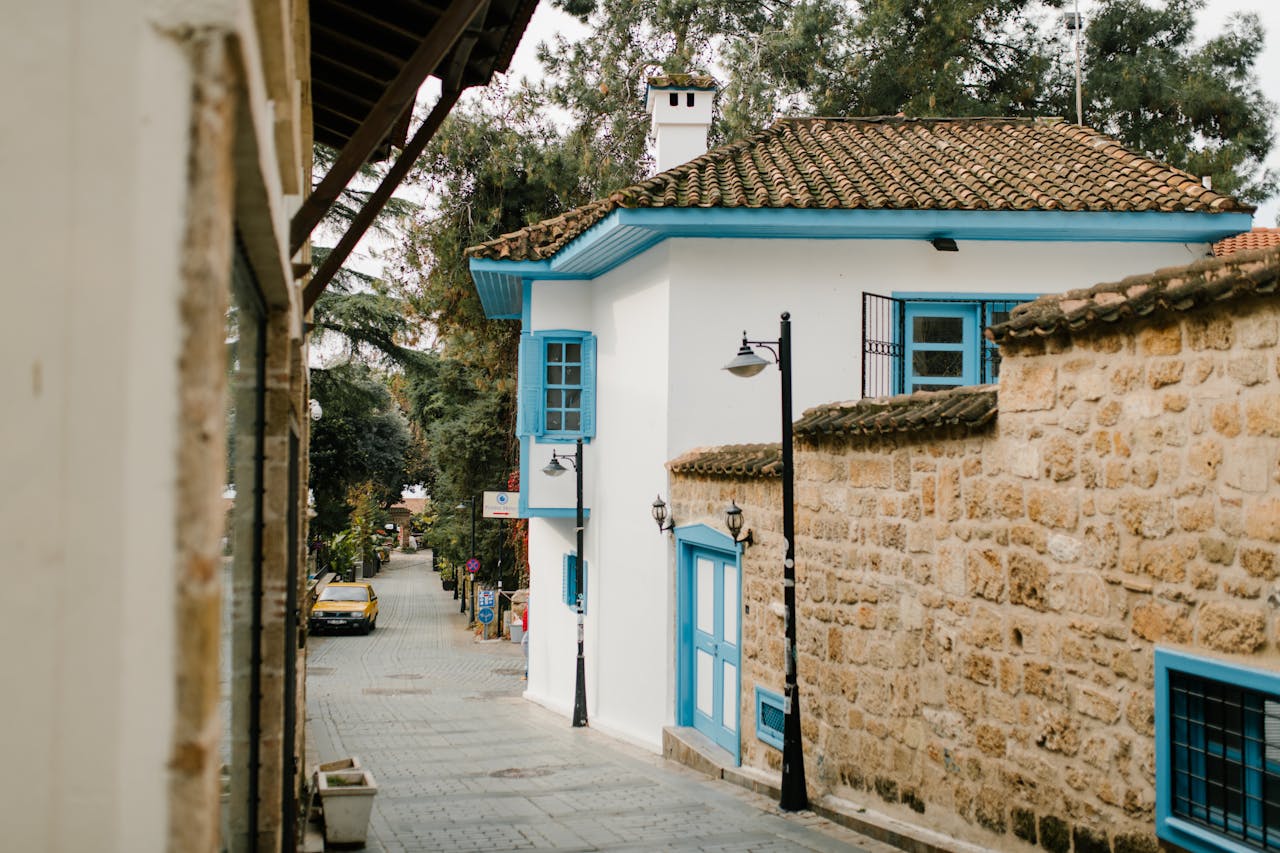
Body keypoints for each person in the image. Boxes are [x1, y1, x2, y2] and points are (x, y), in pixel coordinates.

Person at [521, 604, 529, 680]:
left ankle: (527, 673)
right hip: (528, 628)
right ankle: (527, 673)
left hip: (530, 628)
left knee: (525, 643)